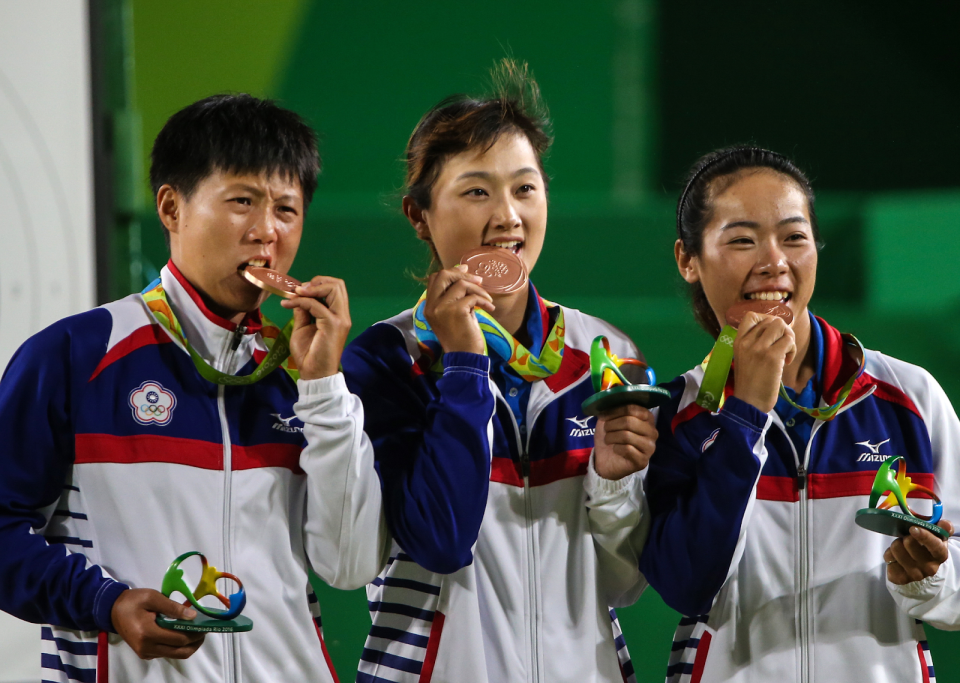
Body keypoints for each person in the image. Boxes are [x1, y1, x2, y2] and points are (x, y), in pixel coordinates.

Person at [0, 94, 389, 682]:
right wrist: (104, 603)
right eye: (242, 201)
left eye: (287, 209)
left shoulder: (303, 378)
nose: (266, 232)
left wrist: (325, 388)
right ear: (171, 207)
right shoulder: (76, 356)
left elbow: (349, 565)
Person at [341, 60, 655, 683]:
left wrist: (615, 486)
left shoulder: (605, 356)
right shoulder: (384, 361)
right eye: (477, 191)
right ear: (419, 215)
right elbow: (438, 542)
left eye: (525, 188)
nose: (508, 215)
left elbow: (624, 584)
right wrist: (462, 366)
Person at [640, 145, 960, 682]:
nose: (774, 262)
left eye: (794, 237)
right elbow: (685, 584)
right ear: (687, 260)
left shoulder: (908, 397)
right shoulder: (677, 417)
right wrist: (745, 414)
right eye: (742, 240)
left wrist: (928, 579)